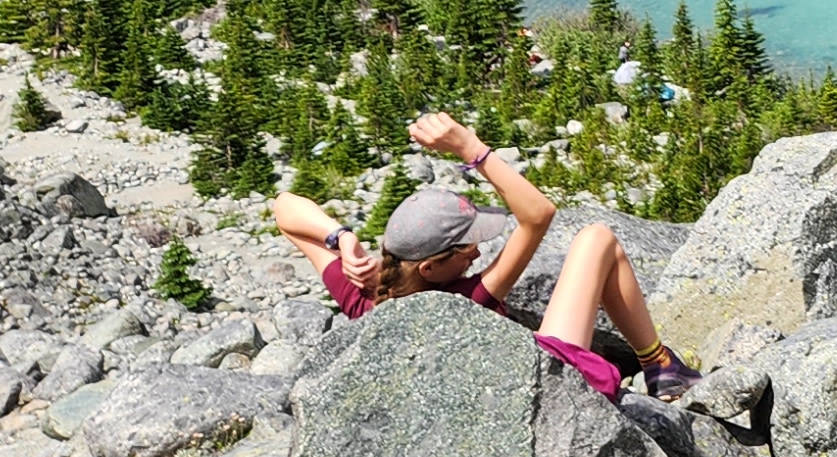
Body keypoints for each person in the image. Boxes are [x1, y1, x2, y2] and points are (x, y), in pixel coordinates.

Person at [273, 110, 695, 401]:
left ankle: (659, 363)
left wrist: (341, 238)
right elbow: (539, 214)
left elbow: (284, 208)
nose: (478, 251)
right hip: (540, 386)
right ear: (431, 267)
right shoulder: (470, 299)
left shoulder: (363, 297)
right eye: (466, 247)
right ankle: (660, 364)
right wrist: (469, 147)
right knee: (596, 239)